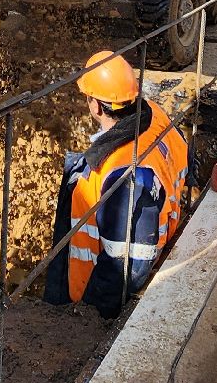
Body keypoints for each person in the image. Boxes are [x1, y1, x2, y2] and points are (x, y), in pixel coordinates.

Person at [45, 51, 190, 319]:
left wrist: (90, 314)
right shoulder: (155, 116)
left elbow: (127, 268)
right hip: (165, 233)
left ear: (95, 106)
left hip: (88, 300)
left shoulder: (122, 173)